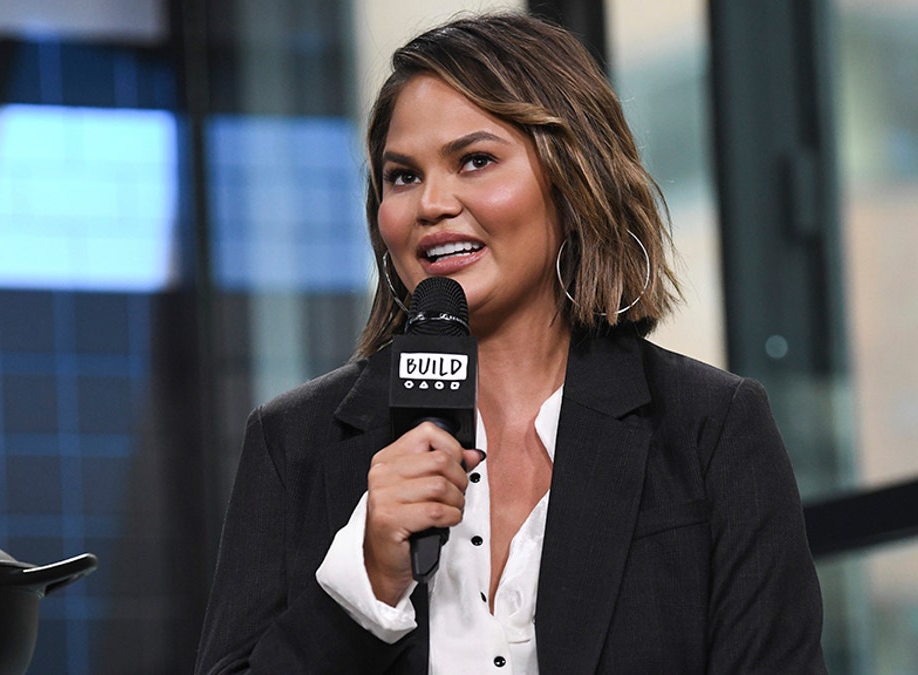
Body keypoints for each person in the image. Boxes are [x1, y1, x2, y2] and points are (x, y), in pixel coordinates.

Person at [195, 11, 825, 674]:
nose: (432, 203)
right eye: (403, 175)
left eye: (475, 160)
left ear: (572, 177)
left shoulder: (709, 430)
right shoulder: (294, 442)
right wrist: (367, 581)